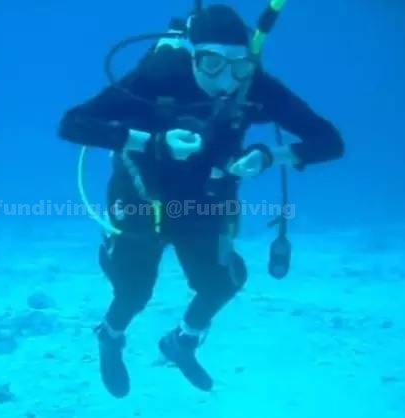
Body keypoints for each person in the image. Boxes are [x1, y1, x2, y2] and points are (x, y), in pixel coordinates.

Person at [57, 3, 344, 398]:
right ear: (192, 53)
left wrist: (268, 157)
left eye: (238, 66)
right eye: (211, 63)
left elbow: (329, 141)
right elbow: (73, 123)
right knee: (134, 291)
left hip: (207, 197)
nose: (225, 80)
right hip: (141, 195)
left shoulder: (253, 85)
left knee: (223, 281)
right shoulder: (158, 76)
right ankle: (110, 336)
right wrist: (153, 142)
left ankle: (182, 343)